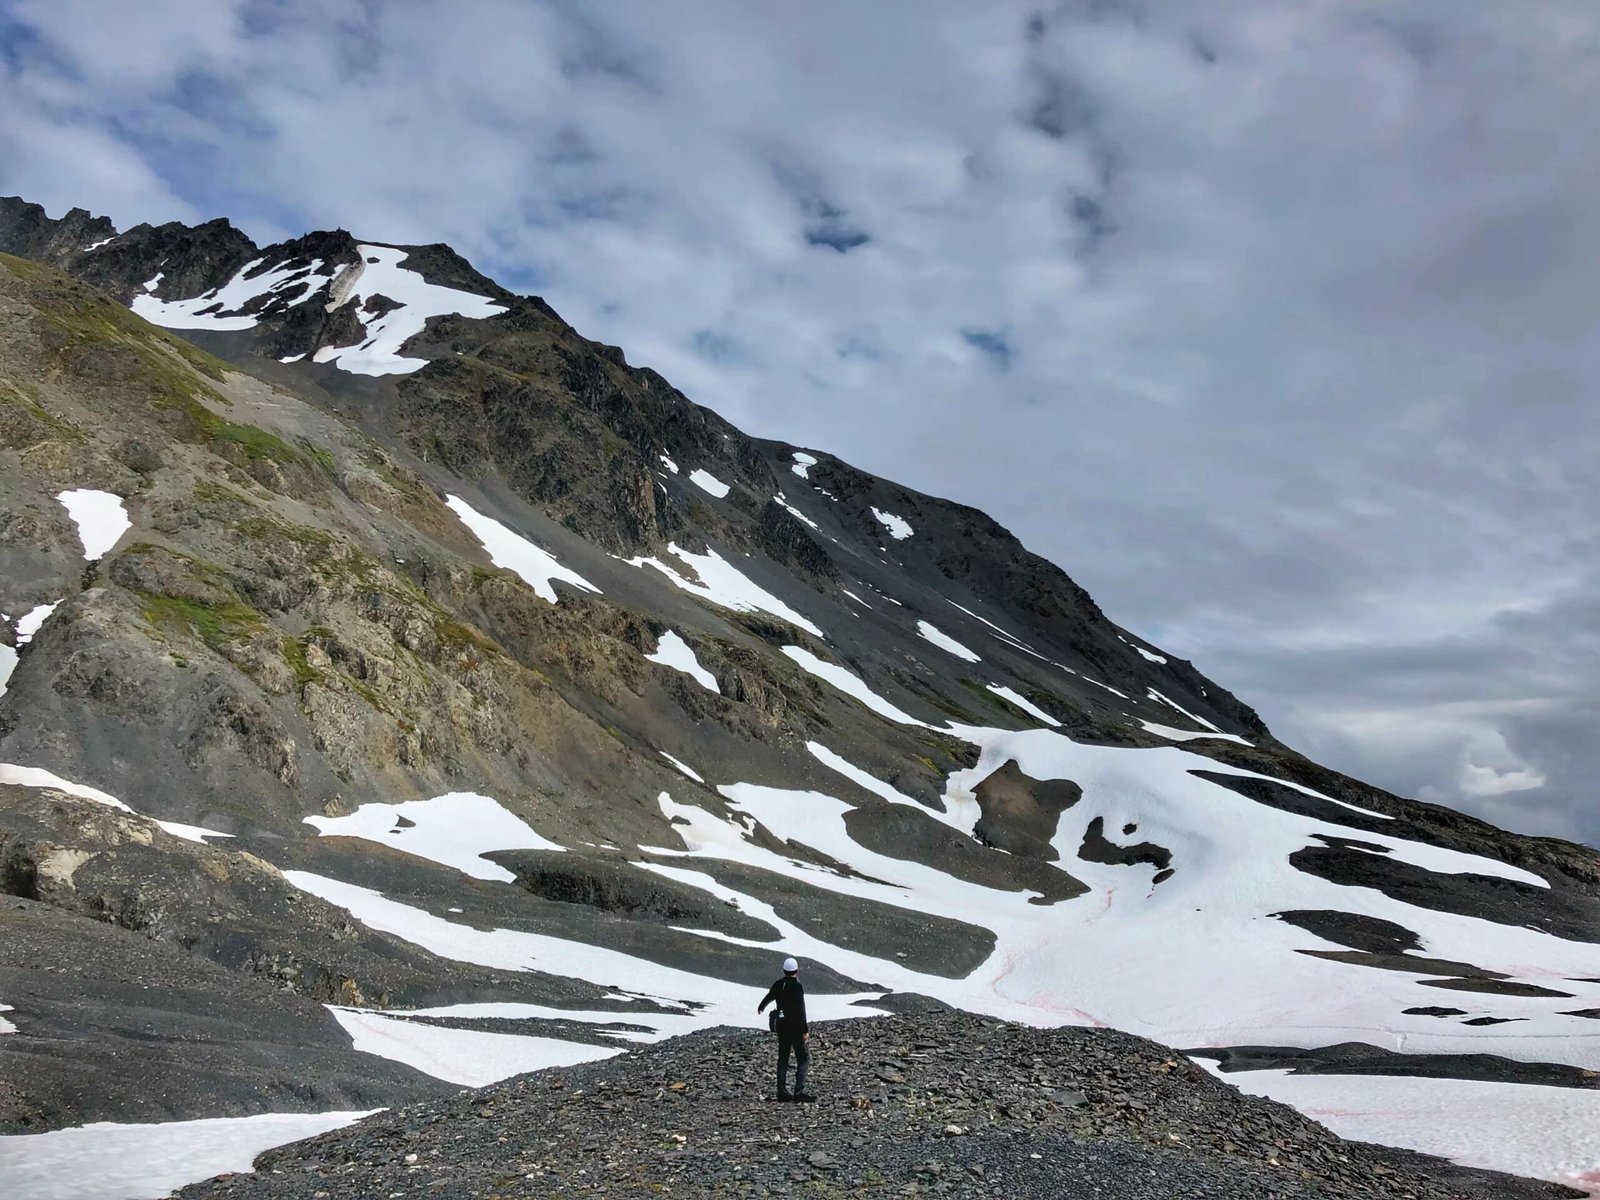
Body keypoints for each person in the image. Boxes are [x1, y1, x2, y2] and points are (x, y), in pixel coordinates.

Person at [757, 956, 812, 1101]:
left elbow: (769, 996)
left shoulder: (778, 984)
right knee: (803, 1058)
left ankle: (782, 1091)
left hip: (782, 1026)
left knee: (783, 1058)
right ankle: (799, 1092)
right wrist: (804, 1030)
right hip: (795, 1027)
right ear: (796, 971)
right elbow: (801, 1009)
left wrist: (761, 1007)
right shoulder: (797, 987)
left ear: (784, 970)